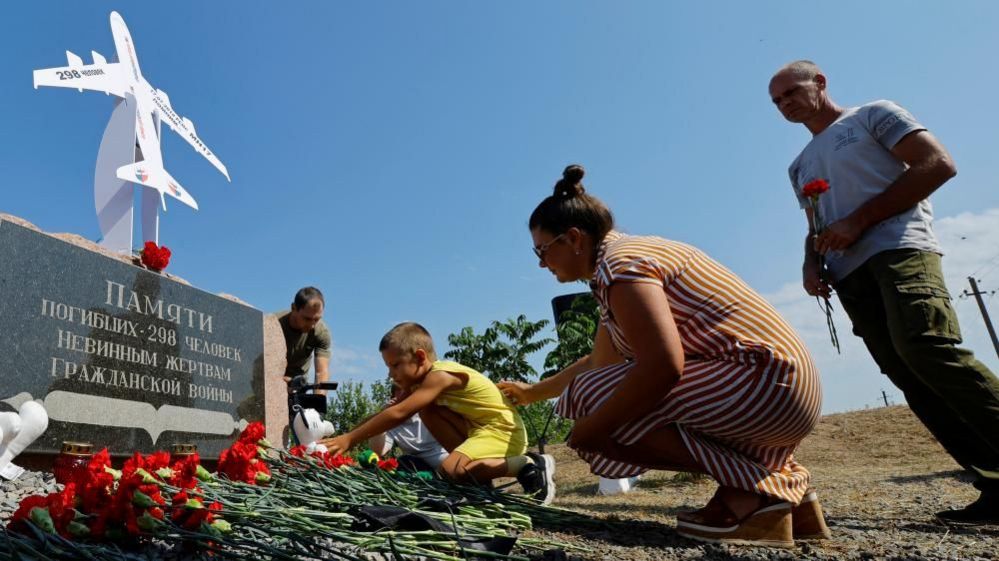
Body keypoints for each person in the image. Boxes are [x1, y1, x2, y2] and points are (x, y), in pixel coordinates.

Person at [497, 165, 825, 547]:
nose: (540, 263)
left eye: (542, 250)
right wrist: (533, 392)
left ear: (573, 239)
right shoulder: (622, 262)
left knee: (593, 403)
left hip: (764, 384)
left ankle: (756, 496)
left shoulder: (621, 267)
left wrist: (593, 428)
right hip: (783, 384)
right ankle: (791, 497)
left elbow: (663, 366)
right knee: (595, 394)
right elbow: (600, 363)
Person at [769, 60, 999, 524]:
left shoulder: (873, 115)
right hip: (849, 273)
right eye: (777, 102)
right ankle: (993, 480)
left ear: (820, 82)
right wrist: (811, 263)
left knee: (926, 347)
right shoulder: (798, 166)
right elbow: (814, 224)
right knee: (907, 373)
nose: (785, 104)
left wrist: (857, 221)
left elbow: (937, 164)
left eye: (791, 92)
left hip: (899, 249)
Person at [320, 322, 556, 504]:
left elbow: (400, 413)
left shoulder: (440, 375)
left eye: (395, 365)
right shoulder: (419, 384)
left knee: (450, 470)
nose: (391, 374)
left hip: (502, 432)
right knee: (428, 411)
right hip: (479, 431)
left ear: (420, 357)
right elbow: (390, 410)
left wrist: (350, 439)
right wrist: (346, 436)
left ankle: (526, 464)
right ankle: (477, 484)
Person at [369, 385, 449, 473]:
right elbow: (378, 451)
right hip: (414, 465)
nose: (403, 394)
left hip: (444, 460)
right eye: (398, 390)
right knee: (404, 461)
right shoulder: (392, 422)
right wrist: (382, 419)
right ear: (393, 396)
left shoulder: (430, 410)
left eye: (407, 390)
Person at [278, 287, 332, 394]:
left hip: (298, 387)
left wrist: (318, 403)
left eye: (317, 319)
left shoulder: (321, 332)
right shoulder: (272, 325)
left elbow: (321, 373)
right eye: (307, 319)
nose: (312, 325)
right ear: (294, 308)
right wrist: (279, 381)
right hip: (271, 382)